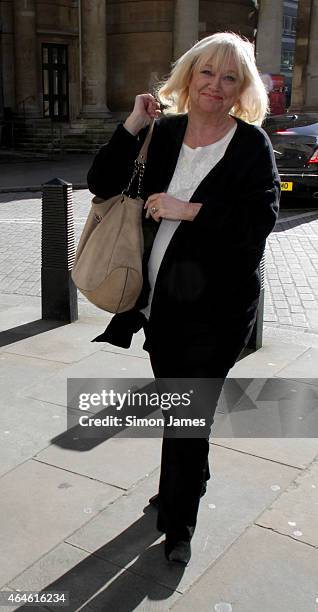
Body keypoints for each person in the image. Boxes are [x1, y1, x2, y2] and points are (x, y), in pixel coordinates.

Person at [87, 32, 281, 565]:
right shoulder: (164, 133)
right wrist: (132, 124)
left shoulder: (249, 146)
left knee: (186, 414)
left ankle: (178, 524)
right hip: (158, 308)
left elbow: (258, 223)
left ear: (241, 90)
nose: (216, 86)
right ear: (188, 76)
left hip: (217, 313)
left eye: (229, 78)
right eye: (206, 73)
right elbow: (101, 182)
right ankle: (188, 474)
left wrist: (187, 209)